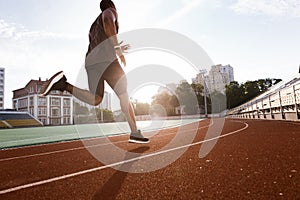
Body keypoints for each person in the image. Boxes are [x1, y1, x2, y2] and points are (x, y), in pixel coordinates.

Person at [41, 0, 149, 144]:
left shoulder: (93, 27)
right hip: (107, 61)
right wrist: (117, 48)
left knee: (96, 99)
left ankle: (64, 85)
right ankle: (135, 132)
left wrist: (116, 47)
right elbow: (107, 20)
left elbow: (100, 40)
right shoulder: (109, 12)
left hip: (92, 62)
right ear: (112, 5)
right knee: (124, 94)